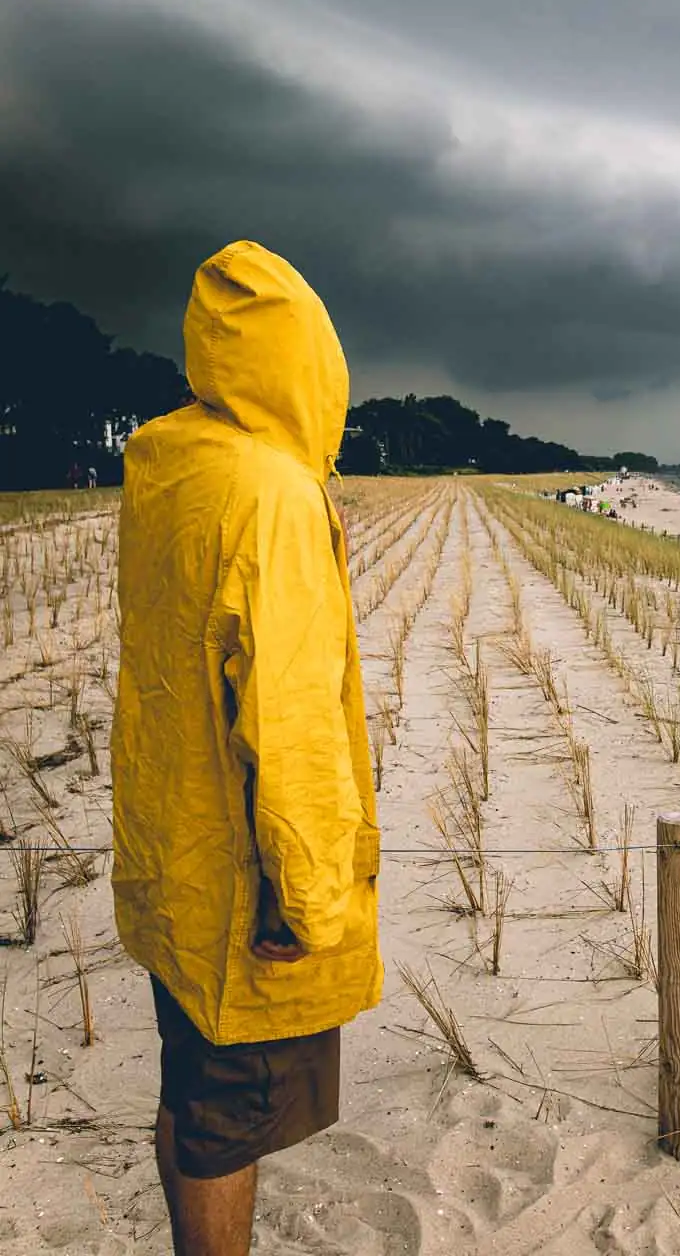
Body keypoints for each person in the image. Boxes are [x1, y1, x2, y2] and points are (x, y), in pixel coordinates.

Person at [111, 240, 382, 1256]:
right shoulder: (270, 493)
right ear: (309, 360)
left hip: (172, 850)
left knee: (189, 1085)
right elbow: (289, 714)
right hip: (244, 884)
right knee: (228, 1115)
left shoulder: (170, 462)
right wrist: (305, 897)